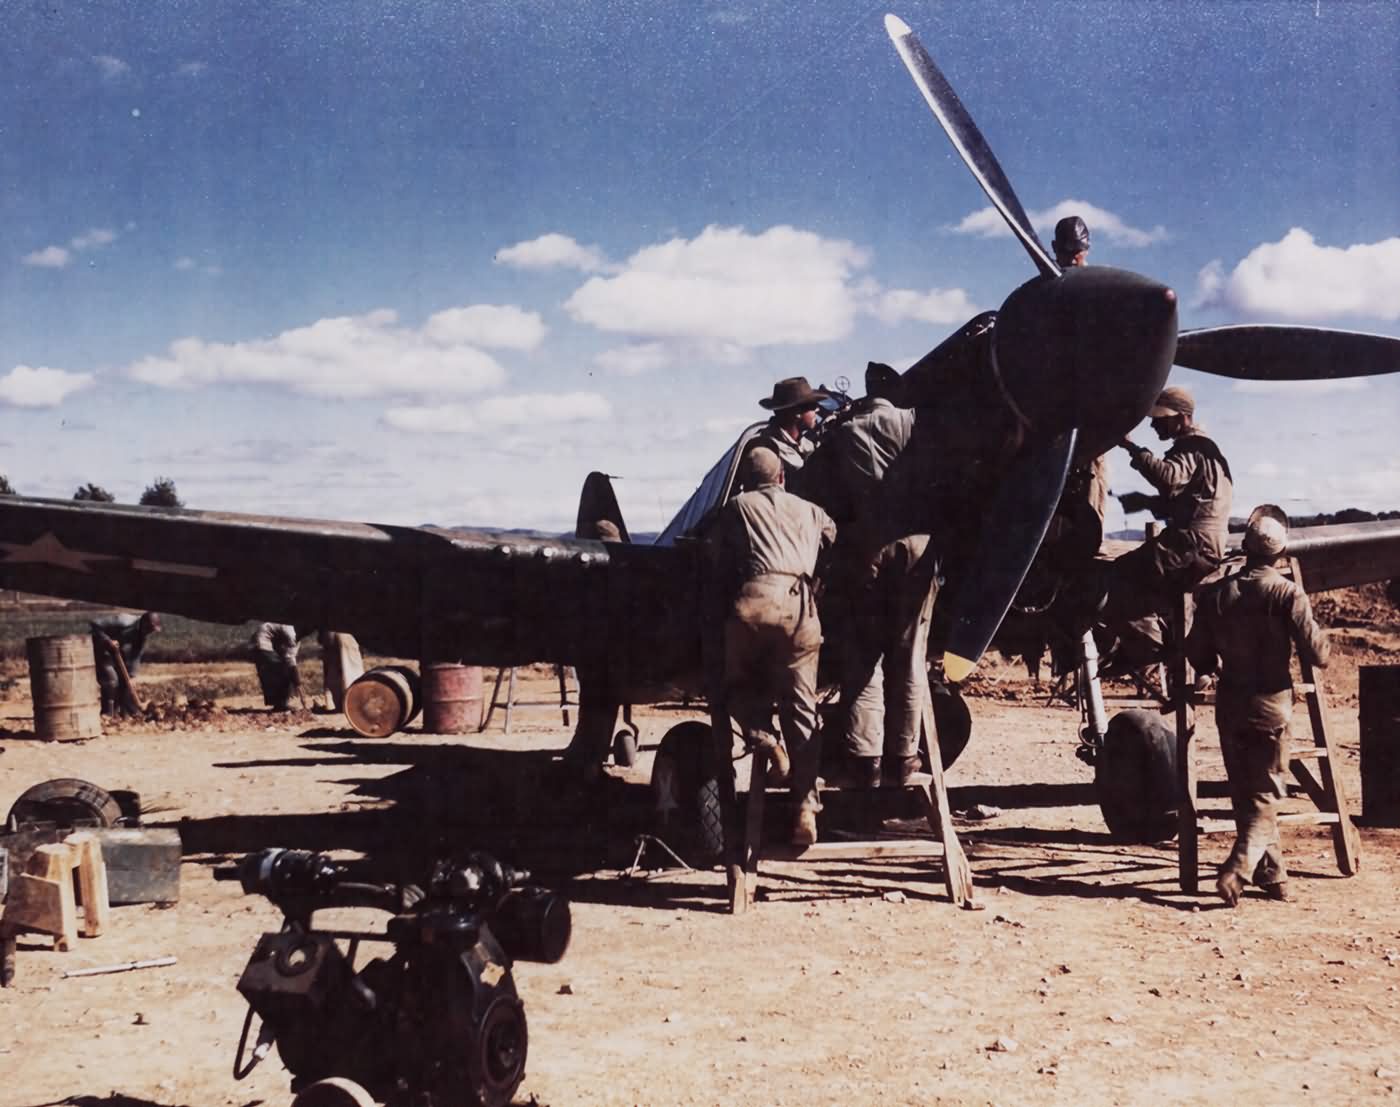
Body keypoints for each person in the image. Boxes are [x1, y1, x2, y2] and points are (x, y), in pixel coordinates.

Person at [1185, 506, 1329, 906]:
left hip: (1231, 704)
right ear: (1280, 553)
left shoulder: (1215, 594)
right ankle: (1239, 869)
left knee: (1247, 794)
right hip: (1271, 705)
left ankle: (1274, 875)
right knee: (1267, 794)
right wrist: (1323, 640)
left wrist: (1214, 665)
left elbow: (1197, 652)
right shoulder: (1287, 593)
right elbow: (1317, 654)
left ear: (1245, 548)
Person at [808, 361, 931, 788]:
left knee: (864, 657)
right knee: (910, 655)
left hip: (868, 549)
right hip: (917, 546)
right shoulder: (915, 421)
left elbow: (820, 489)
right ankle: (905, 757)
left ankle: (865, 758)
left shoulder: (844, 432)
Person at [707, 447, 836, 844]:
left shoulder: (736, 507)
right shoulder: (812, 510)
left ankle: (766, 740)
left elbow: (714, 556)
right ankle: (805, 808)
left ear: (746, 481)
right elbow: (833, 539)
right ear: (782, 477)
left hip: (753, 606)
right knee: (803, 708)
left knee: (734, 686)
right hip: (800, 610)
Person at [1108, 385, 1233, 664]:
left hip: (1191, 545)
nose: (1153, 425)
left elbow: (1169, 478)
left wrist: (1131, 448)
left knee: (1113, 578)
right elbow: (1195, 504)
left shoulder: (1190, 447)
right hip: (1204, 544)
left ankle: (1158, 649)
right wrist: (1146, 502)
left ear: (1182, 418)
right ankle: (1180, 647)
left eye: (1160, 419)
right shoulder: (1207, 450)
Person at [747, 376, 830, 489]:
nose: (817, 409)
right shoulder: (766, 447)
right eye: (813, 406)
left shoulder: (806, 443)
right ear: (797, 413)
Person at [90, 611, 161, 715]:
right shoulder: (124, 621)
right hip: (102, 651)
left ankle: (123, 712)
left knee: (125, 683)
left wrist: (132, 676)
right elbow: (95, 624)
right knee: (112, 681)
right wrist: (108, 641)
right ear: (144, 623)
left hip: (116, 654)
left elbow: (136, 657)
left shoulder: (142, 636)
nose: (150, 632)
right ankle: (107, 713)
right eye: (150, 629)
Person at [252, 622, 302, 711]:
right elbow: (290, 661)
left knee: (280, 671)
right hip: (263, 643)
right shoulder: (290, 632)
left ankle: (279, 704)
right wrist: (297, 682)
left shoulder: (292, 632)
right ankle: (280, 705)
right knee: (283, 672)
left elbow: (288, 656)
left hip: (260, 642)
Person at [317, 630, 364, 712]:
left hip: (328, 634)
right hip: (347, 635)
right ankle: (351, 704)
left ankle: (337, 704)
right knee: (350, 671)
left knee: (333, 670)